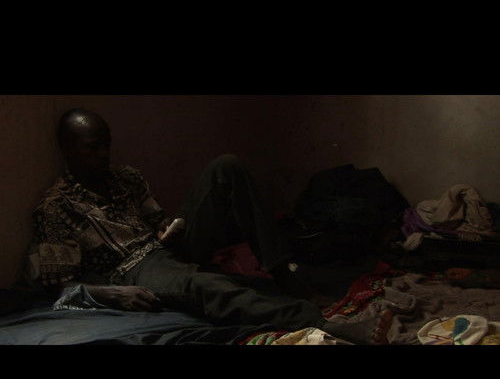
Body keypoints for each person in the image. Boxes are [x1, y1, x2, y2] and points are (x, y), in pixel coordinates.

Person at [26, 108, 333, 333]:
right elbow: (58, 287)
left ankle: (285, 275)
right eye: (91, 148)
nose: (103, 154)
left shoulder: (126, 178)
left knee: (226, 167)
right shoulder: (57, 207)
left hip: (165, 248)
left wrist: (166, 228)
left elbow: (157, 219)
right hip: (133, 269)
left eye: (106, 144)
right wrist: (115, 294)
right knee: (206, 284)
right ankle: (313, 319)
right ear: (67, 150)